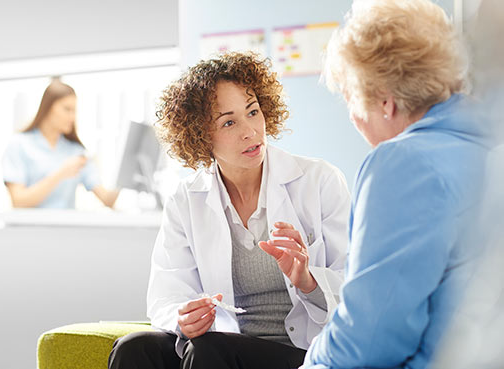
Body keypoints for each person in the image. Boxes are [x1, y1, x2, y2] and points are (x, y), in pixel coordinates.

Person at [108, 52, 351, 369]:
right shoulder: (186, 200)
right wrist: (185, 318)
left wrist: (307, 279)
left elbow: (355, 289)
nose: (250, 130)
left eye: (253, 112)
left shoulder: (320, 181)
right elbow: (165, 296)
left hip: (301, 352)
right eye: (229, 122)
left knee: (210, 350)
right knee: (134, 348)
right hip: (219, 345)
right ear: (199, 135)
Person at [303, 0, 491, 368]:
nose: (354, 118)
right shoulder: (485, 143)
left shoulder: (404, 163)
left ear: (385, 102)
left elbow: (369, 340)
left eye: (351, 100)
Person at [2, 79, 118, 209]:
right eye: (67, 109)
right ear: (48, 108)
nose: (72, 117)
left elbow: (107, 199)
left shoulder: (76, 151)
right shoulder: (19, 144)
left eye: (74, 111)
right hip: (29, 229)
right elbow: (18, 201)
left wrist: (125, 175)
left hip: (65, 228)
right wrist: (61, 173)